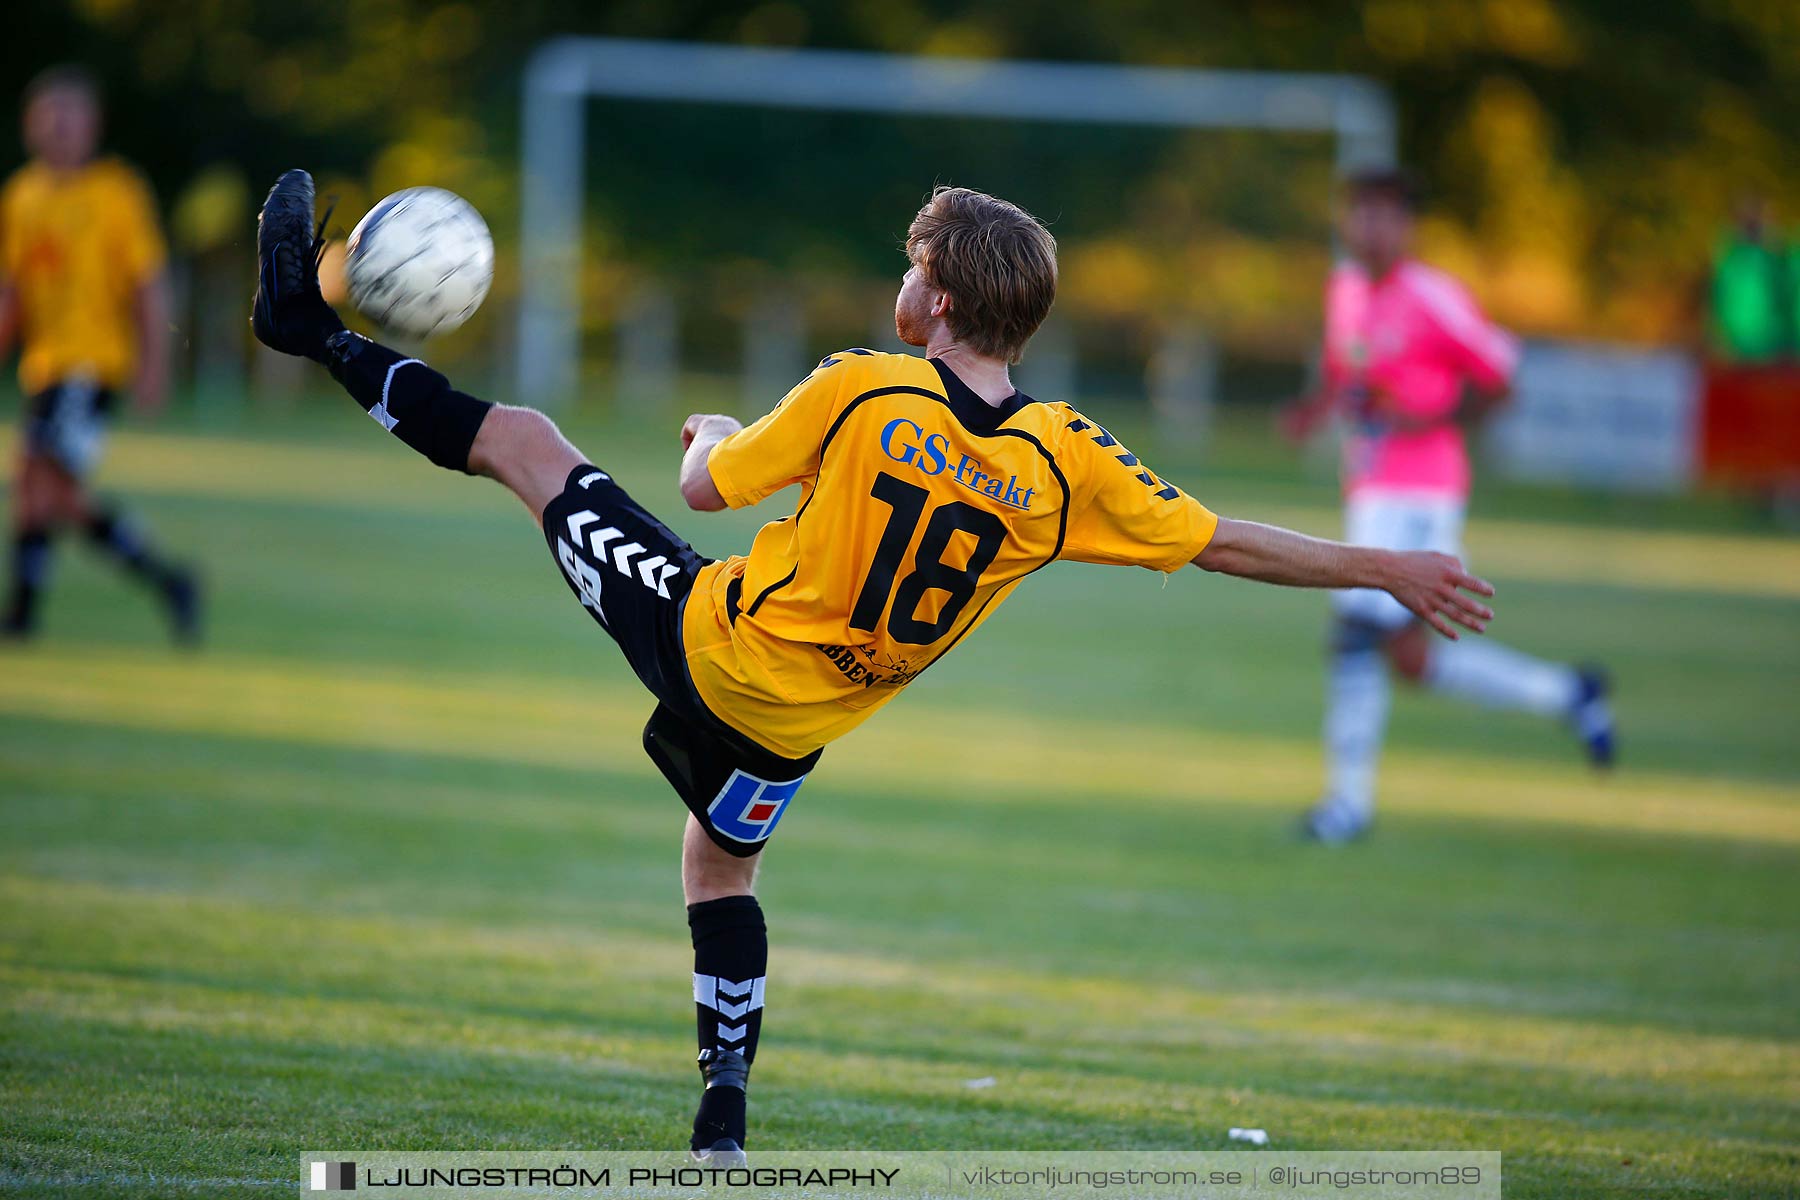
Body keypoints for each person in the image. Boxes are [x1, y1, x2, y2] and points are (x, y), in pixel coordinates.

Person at [252, 170, 1495, 1157]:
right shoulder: (1066, 462)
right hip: (804, 723)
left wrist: (717, 433)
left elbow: (701, 486)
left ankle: (303, 325)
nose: (901, 286)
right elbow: (1226, 543)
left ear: (938, 304)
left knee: (524, 445)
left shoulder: (864, 388)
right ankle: (723, 1123)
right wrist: (1386, 567)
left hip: (709, 641)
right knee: (718, 869)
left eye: (912, 270)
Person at [1283, 168, 1614, 845]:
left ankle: (1347, 806)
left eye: (1383, 214)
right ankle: (1568, 694)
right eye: (1360, 213)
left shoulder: (1432, 296)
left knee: (1353, 636)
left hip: (1422, 490)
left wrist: (1435, 419)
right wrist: (1314, 412)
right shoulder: (1344, 290)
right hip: (1371, 486)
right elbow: (1348, 375)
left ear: (1407, 225)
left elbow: (1501, 374)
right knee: (1410, 661)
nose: (1369, 227)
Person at [0, 65, 200, 642]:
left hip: (92, 365)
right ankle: (169, 581)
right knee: (54, 495)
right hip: (44, 366)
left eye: (72, 114)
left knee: (37, 476)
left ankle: (21, 616)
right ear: (30, 125)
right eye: (49, 116)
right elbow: (16, 288)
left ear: (93, 125)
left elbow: (148, 283)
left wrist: (155, 364)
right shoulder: (22, 195)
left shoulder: (116, 192)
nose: (60, 127)